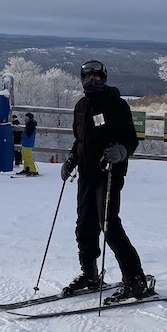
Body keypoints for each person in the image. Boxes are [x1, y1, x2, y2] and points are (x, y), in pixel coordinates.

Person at [60, 59, 151, 304]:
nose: (93, 80)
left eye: (98, 76)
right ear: (82, 79)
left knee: (108, 224)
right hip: (87, 174)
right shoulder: (80, 107)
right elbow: (80, 140)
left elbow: (130, 139)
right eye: (88, 77)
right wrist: (71, 158)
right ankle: (90, 274)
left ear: (105, 78)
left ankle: (135, 279)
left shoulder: (116, 105)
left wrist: (121, 151)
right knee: (84, 224)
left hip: (109, 173)